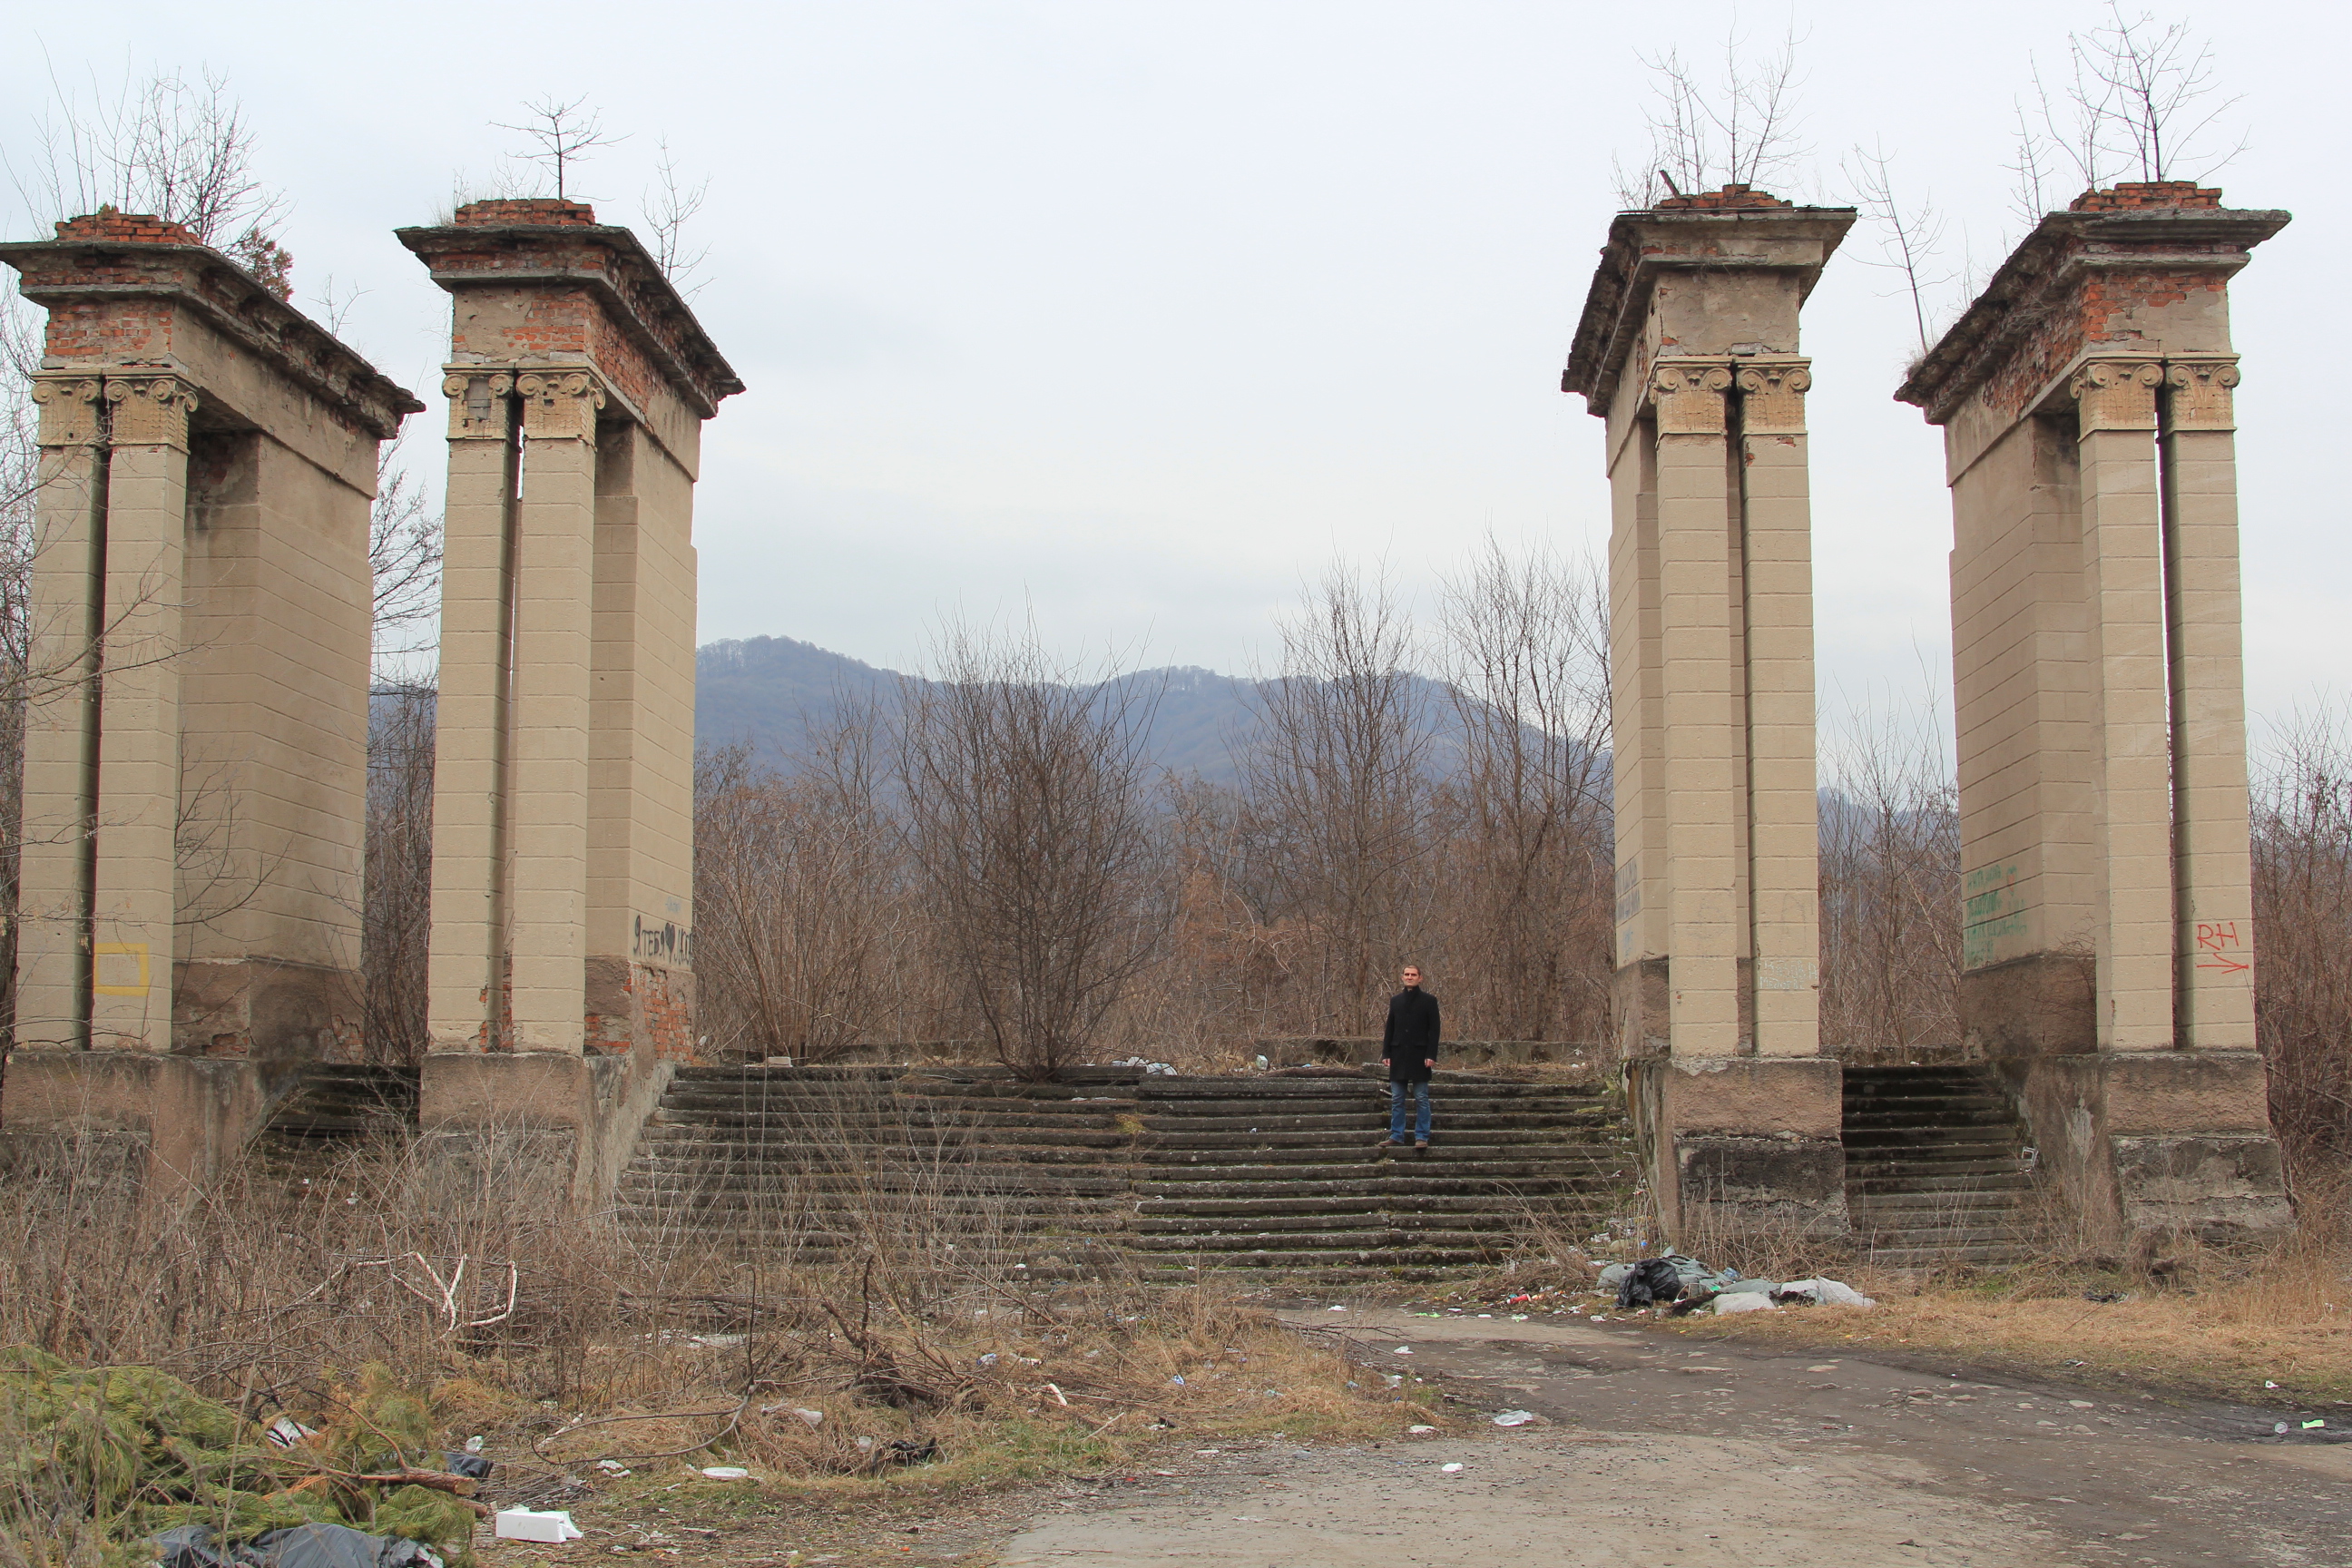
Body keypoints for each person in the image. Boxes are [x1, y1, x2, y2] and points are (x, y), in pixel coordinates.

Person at [1379, 965, 1439, 1150]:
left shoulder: (1429, 1001)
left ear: (1420, 978)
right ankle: (1397, 1135)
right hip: (1398, 1054)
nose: (1410, 977)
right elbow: (1390, 1027)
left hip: (1420, 1055)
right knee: (1397, 1098)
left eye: (1413, 975)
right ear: (1402, 977)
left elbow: (1434, 1030)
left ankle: (1422, 1136)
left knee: (1421, 1097)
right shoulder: (1396, 1001)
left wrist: (1431, 1054)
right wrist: (1386, 1052)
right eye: (1407, 974)